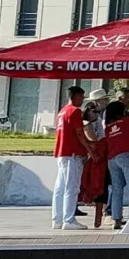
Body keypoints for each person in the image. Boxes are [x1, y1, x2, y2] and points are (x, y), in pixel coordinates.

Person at [49, 86, 90, 230]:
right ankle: (69, 219)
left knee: (60, 187)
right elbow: (80, 133)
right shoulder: (75, 111)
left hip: (62, 153)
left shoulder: (62, 112)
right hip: (73, 154)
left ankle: (57, 219)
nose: (82, 101)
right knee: (72, 188)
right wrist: (89, 149)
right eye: (82, 97)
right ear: (76, 96)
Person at [96, 100, 129, 228]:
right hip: (127, 155)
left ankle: (116, 219)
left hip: (112, 158)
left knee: (116, 189)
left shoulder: (108, 126)